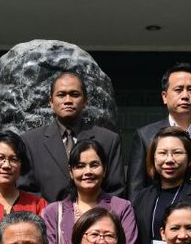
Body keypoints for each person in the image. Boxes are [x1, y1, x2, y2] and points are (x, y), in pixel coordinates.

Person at [19, 71, 126, 201]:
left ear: (85, 101)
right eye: (61, 95)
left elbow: (115, 190)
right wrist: (51, 216)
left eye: (74, 95)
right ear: (51, 102)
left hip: (95, 218)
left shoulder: (108, 140)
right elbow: (26, 191)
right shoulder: (31, 141)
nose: (68, 100)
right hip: (47, 219)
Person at [127, 63, 191, 197]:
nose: (185, 96)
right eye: (178, 89)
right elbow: (135, 188)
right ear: (164, 96)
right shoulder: (145, 136)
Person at [43, 140, 138, 244]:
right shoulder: (52, 213)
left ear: (104, 170)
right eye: (80, 166)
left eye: (94, 165)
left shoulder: (122, 209)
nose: (87, 172)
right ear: (71, 172)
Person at [0, 131, 48, 224]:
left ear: (21, 165)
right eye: (0, 158)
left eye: (13, 159)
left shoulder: (37, 205)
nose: (6, 165)